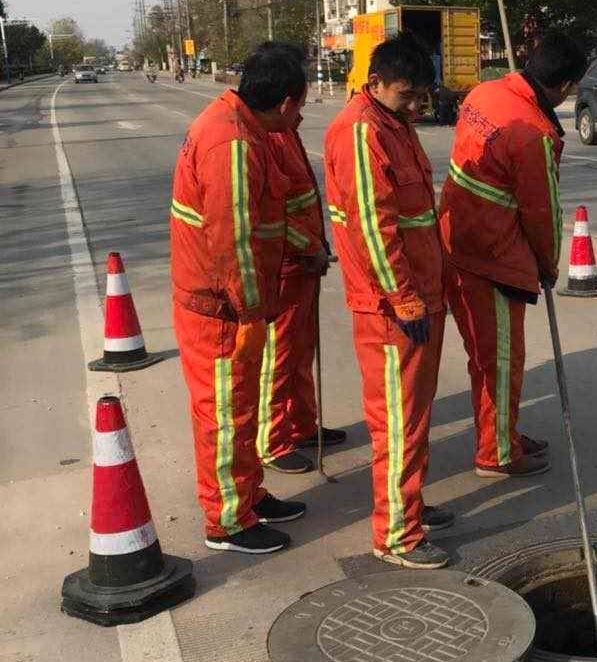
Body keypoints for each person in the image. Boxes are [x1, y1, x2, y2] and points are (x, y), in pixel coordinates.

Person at [170, 46, 307, 554]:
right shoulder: (231, 143)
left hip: (228, 303)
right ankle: (228, 520)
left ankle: (248, 493)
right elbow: (233, 242)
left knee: (241, 409)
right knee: (225, 416)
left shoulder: (241, 123)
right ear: (287, 101)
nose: (299, 118)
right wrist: (254, 311)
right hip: (221, 310)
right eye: (300, 108)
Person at [324, 32, 452, 569]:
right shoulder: (361, 131)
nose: (418, 107)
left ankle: (410, 504)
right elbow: (374, 229)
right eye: (407, 96)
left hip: (421, 293)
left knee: (414, 415)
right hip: (393, 307)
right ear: (374, 83)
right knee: (398, 420)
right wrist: (403, 300)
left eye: (423, 96)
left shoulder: (394, 124)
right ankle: (398, 533)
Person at [439, 28, 587, 478]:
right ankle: (497, 452)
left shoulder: (485, 92)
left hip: (455, 240)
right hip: (494, 259)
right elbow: (541, 213)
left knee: (487, 357)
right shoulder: (535, 134)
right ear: (564, 87)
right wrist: (546, 265)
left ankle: (504, 430)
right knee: (501, 361)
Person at [256, 44, 346, 475]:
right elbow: (270, 213)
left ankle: (302, 424)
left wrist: (317, 246)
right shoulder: (267, 136)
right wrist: (307, 247)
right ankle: (272, 439)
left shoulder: (284, 129)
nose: (302, 112)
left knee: (301, 350)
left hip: (305, 261)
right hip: (287, 265)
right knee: (281, 355)